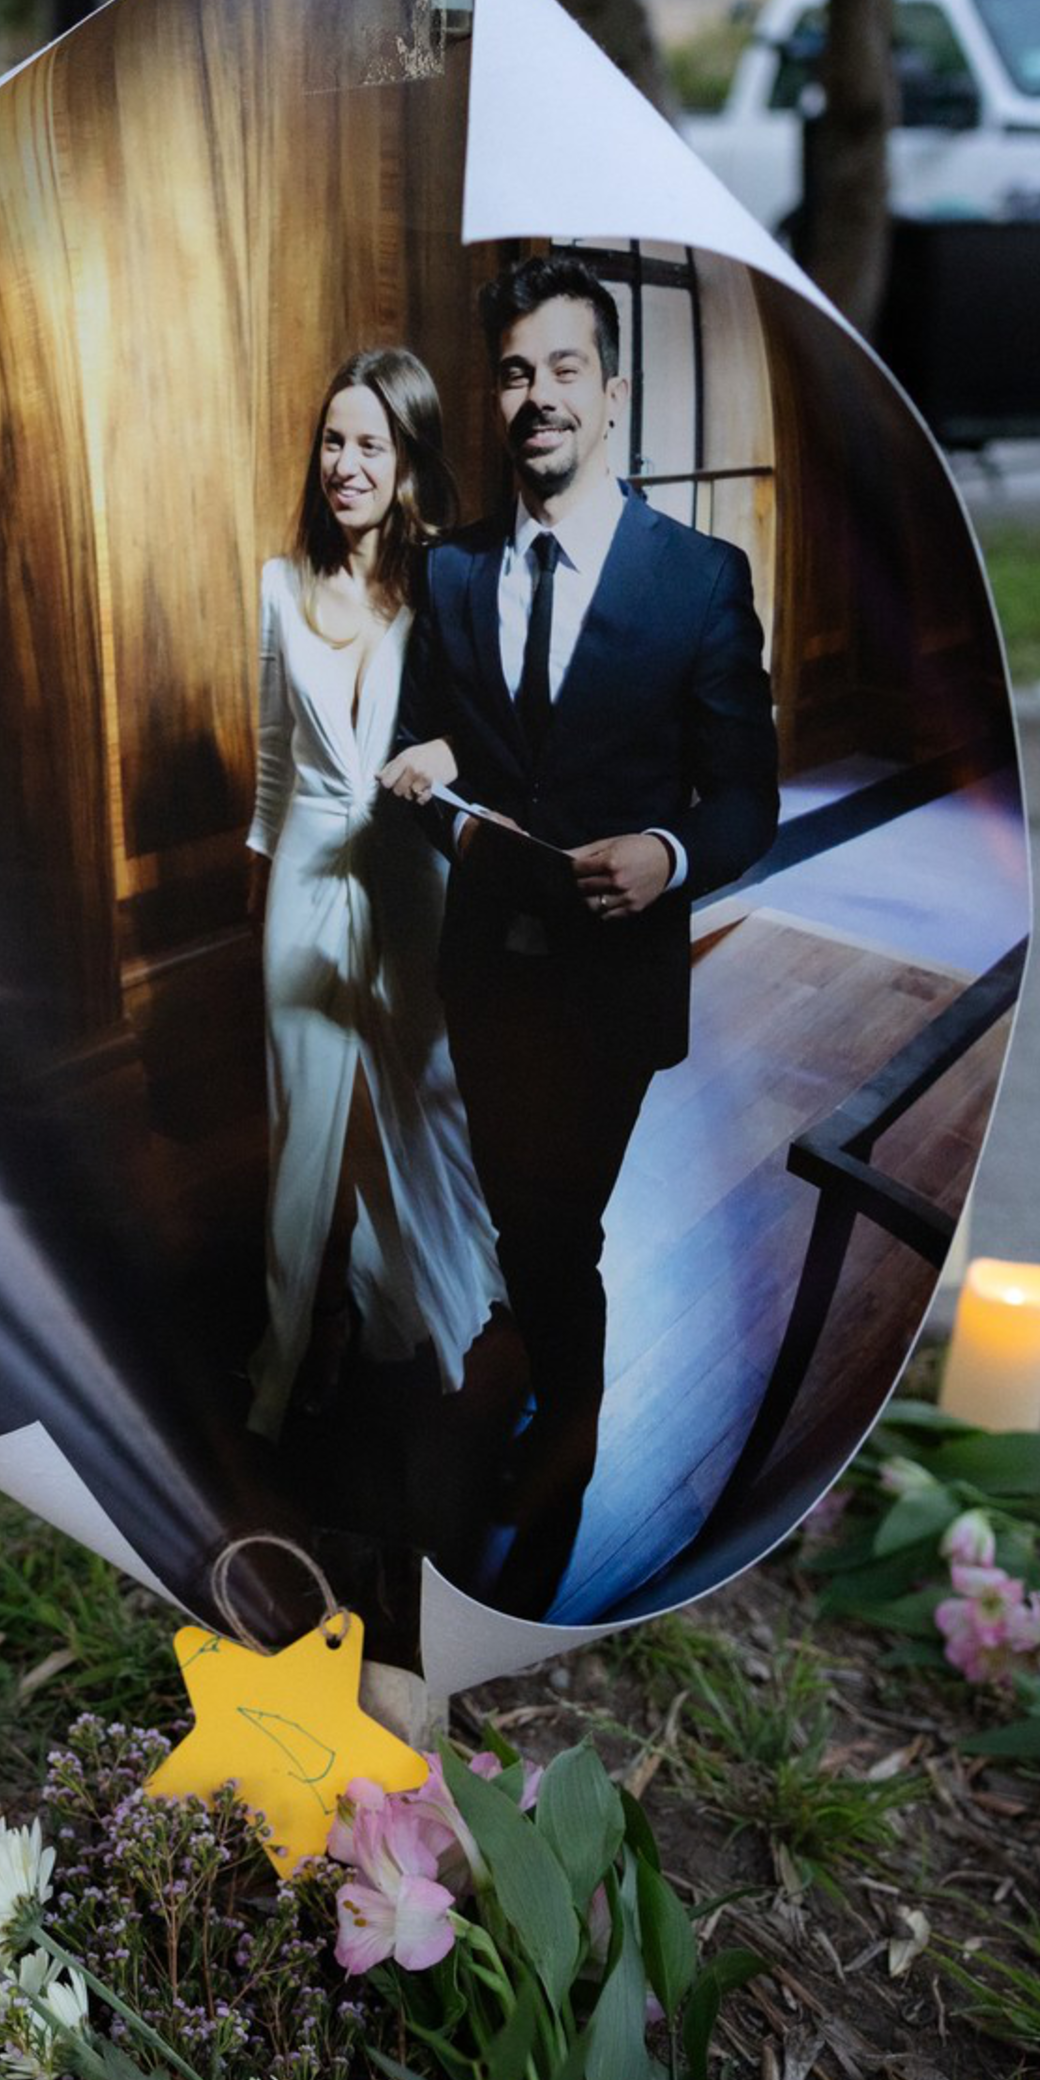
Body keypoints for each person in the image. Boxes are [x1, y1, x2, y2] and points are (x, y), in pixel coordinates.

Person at [375, 252, 779, 1616]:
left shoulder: (699, 581)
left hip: (614, 980)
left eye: (561, 370)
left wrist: (668, 857)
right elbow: (423, 744)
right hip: (485, 967)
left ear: (610, 392)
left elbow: (747, 802)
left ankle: (570, 1421)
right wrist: (427, 789)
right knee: (518, 1202)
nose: (534, 397)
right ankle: (536, 1341)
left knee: (559, 1217)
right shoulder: (445, 579)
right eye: (512, 374)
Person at [243, 348, 501, 1441]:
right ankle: (282, 1358)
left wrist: (441, 752)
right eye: (333, 440)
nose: (345, 463)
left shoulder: (444, 583)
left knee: (425, 1100)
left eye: (371, 445)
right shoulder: (276, 582)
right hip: (303, 876)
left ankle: (431, 1317)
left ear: (406, 465)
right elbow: (268, 757)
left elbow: (488, 738)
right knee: (303, 1130)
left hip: (407, 879)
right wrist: (257, 886)